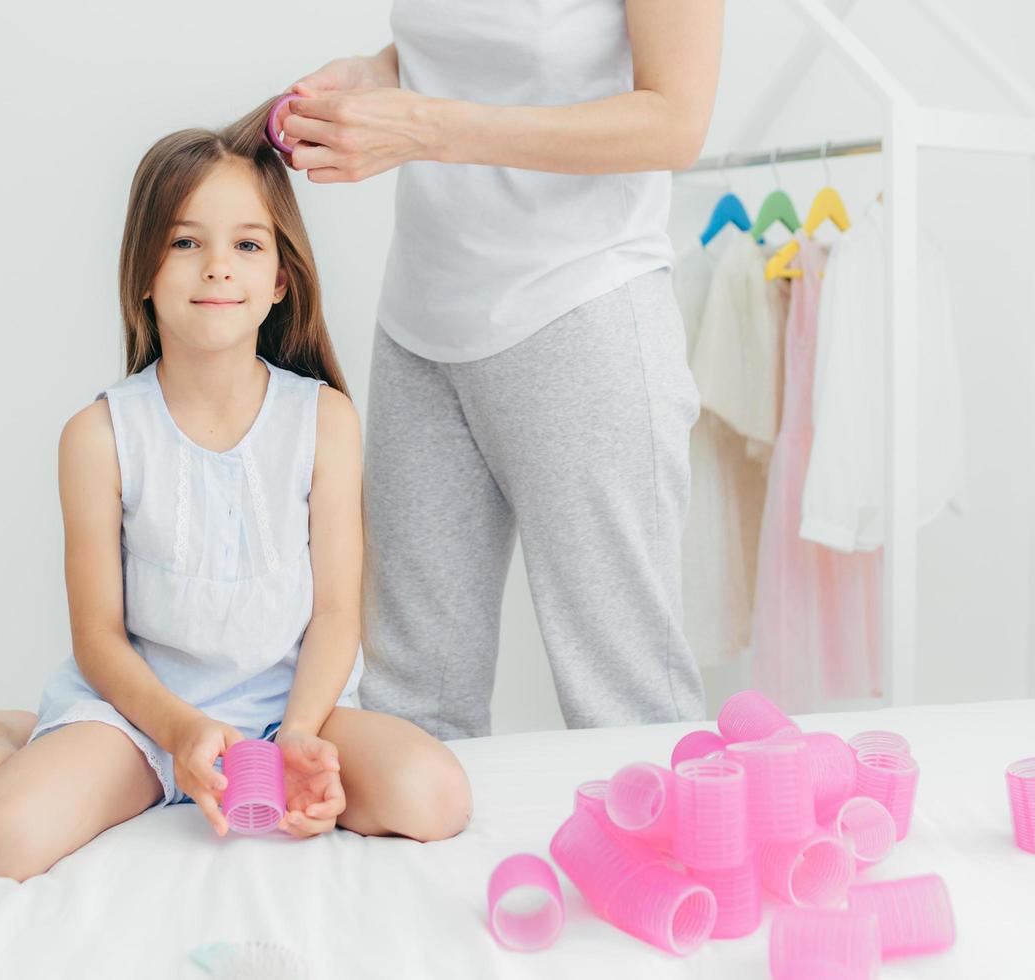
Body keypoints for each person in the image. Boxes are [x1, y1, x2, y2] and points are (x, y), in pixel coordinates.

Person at [0, 102, 471, 882]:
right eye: (186, 242)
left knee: (435, 797)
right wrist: (181, 732)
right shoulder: (98, 437)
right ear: (143, 276)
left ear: (280, 279)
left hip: (284, 709)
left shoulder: (324, 421)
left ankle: (103, 740)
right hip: (140, 720)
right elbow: (98, 636)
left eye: (246, 243)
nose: (218, 266)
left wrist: (298, 737)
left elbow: (337, 613)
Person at [274, 0, 726, 738]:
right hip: (421, 321)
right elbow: (483, 49)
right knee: (410, 702)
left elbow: (676, 121)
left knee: (625, 697)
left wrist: (422, 126)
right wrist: (377, 77)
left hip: (578, 309)